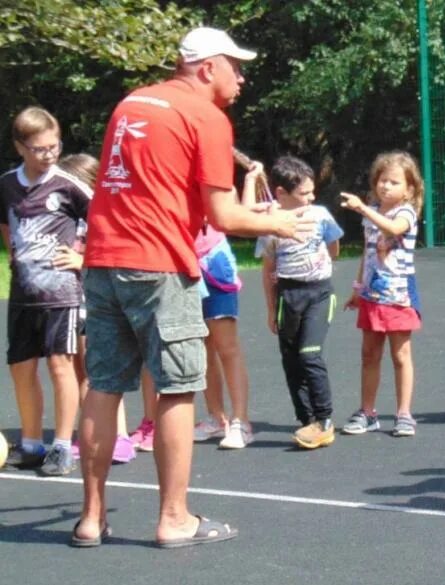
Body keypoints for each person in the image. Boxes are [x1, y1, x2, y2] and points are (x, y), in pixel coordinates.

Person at [73, 27, 314, 548]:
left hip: (102, 260)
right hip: (159, 264)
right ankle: (174, 519)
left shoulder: (131, 102)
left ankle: (91, 519)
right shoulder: (207, 116)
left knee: (104, 385)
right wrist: (279, 224)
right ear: (207, 68)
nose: (243, 76)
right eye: (236, 65)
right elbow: (222, 214)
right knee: (177, 386)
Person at [0, 107, 91, 476]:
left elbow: (105, 222)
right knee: (21, 368)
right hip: (23, 294)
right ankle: (32, 443)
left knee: (60, 365)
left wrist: (81, 256)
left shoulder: (70, 185)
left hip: (62, 295)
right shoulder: (6, 184)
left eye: (55, 146)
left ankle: (62, 445)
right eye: (39, 149)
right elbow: (7, 224)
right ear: (20, 147)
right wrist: (16, 256)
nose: (50, 154)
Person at [253, 156, 343, 449]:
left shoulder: (320, 215)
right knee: (291, 360)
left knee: (309, 354)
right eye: (303, 193)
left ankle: (325, 419)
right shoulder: (271, 224)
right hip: (287, 297)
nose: (311, 197)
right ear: (281, 194)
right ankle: (307, 421)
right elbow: (268, 270)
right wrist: (270, 309)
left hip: (318, 293)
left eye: (311, 191)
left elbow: (335, 249)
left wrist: (317, 264)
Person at [339, 151, 423, 437]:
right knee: (369, 355)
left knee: (401, 355)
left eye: (394, 182)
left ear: (409, 189)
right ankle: (368, 412)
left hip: (399, 296)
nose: (385, 186)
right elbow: (368, 253)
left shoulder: (406, 213)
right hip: (372, 296)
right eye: (382, 180)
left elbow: (392, 228)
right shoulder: (372, 214)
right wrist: (358, 288)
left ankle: (404, 414)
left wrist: (363, 208)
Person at [59, 153, 136, 464]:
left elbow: (116, 249)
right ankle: (89, 432)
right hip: (71, 297)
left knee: (99, 369)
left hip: (97, 297)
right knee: (80, 369)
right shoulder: (70, 217)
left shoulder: (104, 215)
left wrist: (82, 261)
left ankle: (119, 436)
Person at [191, 222, 254, 450]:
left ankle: (241, 422)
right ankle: (216, 417)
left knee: (226, 346)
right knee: (201, 345)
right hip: (182, 262)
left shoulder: (209, 186)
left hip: (213, 261)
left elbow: (228, 213)